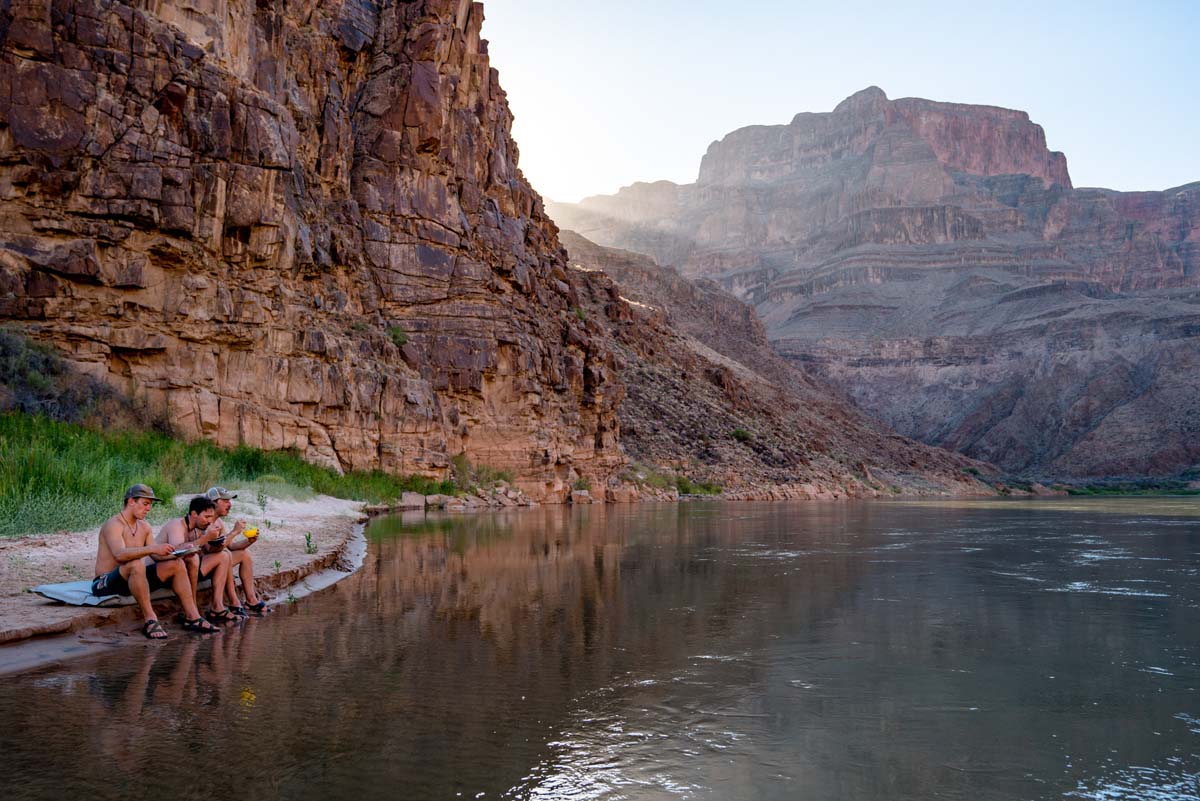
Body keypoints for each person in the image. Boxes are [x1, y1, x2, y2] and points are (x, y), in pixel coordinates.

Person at [91, 484, 218, 639]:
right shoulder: (114, 525)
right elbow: (120, 555)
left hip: (135, 577)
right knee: (136, 563)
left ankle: (193, 617)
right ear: (131, 501)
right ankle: (150, 618)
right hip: (105, 582)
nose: (149, 508)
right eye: (145, 503)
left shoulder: (144, 526)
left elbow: (157, 556)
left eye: (150, 504)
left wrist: (181, 554)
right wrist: (153, 549)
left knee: (176, 564)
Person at [156, 496, 236, 624]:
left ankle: (217, 607)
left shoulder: (199, 529)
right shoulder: (177, 525)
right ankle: (192, 610)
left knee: (224, 555)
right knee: (193, 558)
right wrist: (205, 539)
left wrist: (222, 541)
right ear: (194, 514)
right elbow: (177, 551)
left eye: (211, 517)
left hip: (186, 571)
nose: (210, 521)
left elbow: (210, 551)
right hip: (164, 573)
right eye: (207, 517)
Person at [204, 486, 268, 616]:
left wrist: (248, 542)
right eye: (226, 501)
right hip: (206, 564)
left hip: (219, 560)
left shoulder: (219, 522)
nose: (230, 505)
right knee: (225, 555)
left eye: (230, 501)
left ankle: (251, 600)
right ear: (214, 502)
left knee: (244, 554)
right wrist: (234, 532)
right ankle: (233, 602)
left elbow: (231, 546)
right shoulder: (205, 521)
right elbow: (212, 550)